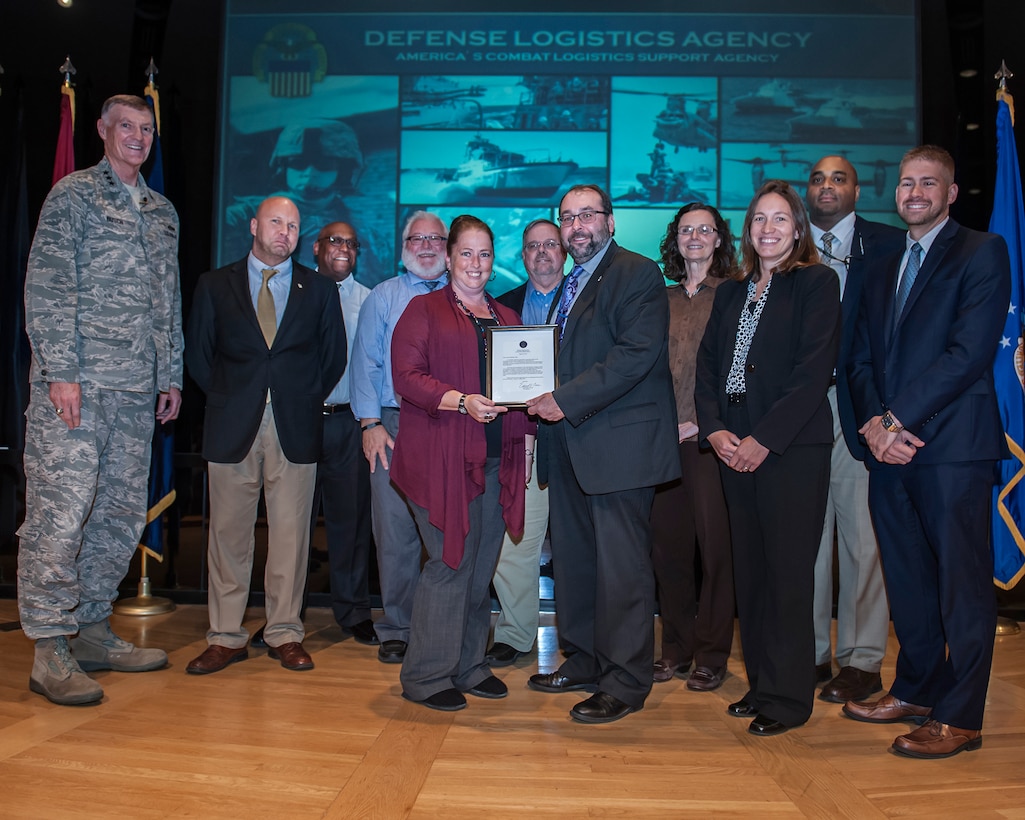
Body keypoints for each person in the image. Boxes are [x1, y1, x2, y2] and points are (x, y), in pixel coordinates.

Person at [844, 145, 1010, 759]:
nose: (914, 192)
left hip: (951, 448)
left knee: (960, 586)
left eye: (928, 183)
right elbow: (858, 356)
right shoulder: (885, 262)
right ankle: (915, 688)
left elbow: (967, 354)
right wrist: (872, 425)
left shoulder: (981, 251)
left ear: (950, 192)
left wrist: (895, 419)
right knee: (908, 581)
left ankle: (960, 716)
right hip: (887, 449)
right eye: (907, 182)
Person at [18, 94, 182, 706]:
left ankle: (90, 628)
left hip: (136, 393)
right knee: (60, 519)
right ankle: (49, 647)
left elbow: (168, 304)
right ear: (103, 131)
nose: (137, 137)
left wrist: (172, 375)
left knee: (116, 519)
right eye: (126, 127)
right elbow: (49, 286)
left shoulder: (161, 212)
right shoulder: (73, 196)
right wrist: (60, 371)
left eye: (146, 128)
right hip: (77, 392)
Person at [526, 184, 679, 724]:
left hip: (620, 449)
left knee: (622, 572)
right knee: (576, 564)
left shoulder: (635, 273)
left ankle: (627, 680)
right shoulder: (571, 284)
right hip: (570, 445)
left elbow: (635, 356)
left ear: (610, 222)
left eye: (587, 215)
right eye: (567, 217)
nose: (576, 226)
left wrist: (560, 399)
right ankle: (587, 659)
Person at [695, 180, 840, 736]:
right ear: (749, 229)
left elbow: (811, 375)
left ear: (797, 229)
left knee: (786, 575)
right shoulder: (731, 292)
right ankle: (761, 684)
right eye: (760, 219)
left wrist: (764, 438)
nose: (769, 229)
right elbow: (709, 370)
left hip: (790, 452)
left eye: (781, 219)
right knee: (750, 574)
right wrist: (717, 431)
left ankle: (789, 698)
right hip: (733, 449)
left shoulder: (816, 284)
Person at [185, 196, 346, 675]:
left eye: (293, 226)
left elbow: (332, 357)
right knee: (228, 537)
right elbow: (199, 356)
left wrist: (297, 396)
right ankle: (226, 636)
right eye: (276, 222)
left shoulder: (318, 289)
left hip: (294, 427)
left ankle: (283, 632)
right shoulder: (215, 285)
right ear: (254, 225)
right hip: (232, 424)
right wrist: (233, 397)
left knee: (292, 538)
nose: (284, 232)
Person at [390, 215, 533, 711]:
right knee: (450, 562)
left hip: (497, 460)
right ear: (449, 257)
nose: (476, 263)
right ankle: (426, 676)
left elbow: (524, 388)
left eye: (485, 255)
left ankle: (469, 665)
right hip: (440, 459)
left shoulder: (509, 320)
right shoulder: (422, 310)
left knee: (479, 567)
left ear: (494, 263)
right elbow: (406, 377)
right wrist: (459, 399)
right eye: (467, 253)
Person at [805, 156, 904, 703]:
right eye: (817, 178)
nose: (826, 186)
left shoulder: (887, 245)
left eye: (838, 177)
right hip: (798, 411)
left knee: (863, 539)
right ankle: (814, 652)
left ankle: (863, 660)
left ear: (858, 190)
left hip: (860, 406)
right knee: (808, 538)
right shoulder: (788, 245)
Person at [350, 211, 449, 663]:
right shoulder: (382, 297)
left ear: (448, 247)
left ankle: (443, 626)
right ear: (402, 245)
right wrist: (370, 425)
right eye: (417, 238)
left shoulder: (462, 295)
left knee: (447, 529)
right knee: (394, 532)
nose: (426, 245)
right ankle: (396, 627)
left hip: (449, 425)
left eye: (435, 238)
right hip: (392, 424)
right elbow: (365, 364)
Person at [650, 204, 736, 691]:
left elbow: (740, 371)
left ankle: (712, 654)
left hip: (711, 444)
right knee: (669, 553)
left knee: (717, 552)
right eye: (687, 230)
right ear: (676, 239)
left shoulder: (735, 295)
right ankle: (675, 649)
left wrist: (702, 424)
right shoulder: (657, 298)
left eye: (706, 229)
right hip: (662, 443)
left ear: (720, 239)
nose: (696, 237)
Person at [486, 218, 566, 667]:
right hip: (526, 440)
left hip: (580, 436)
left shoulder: (586, 299)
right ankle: (516, 636)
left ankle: (580, 638)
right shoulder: (501, 308)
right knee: (516, 544)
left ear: (564, 251)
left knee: (580, 546)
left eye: (550, 244)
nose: (542, 253)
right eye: (533, 246)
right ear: (523, 255)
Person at [312, 222, 375, 645]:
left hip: (349, 422)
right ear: (316, 248)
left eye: (352, 244)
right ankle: (284, 616)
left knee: (351, 524)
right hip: (299, 423)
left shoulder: (369, 301)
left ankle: (353, 611)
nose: (344, 249)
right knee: (290, 525)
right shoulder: (294, 292)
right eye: (336, 241)